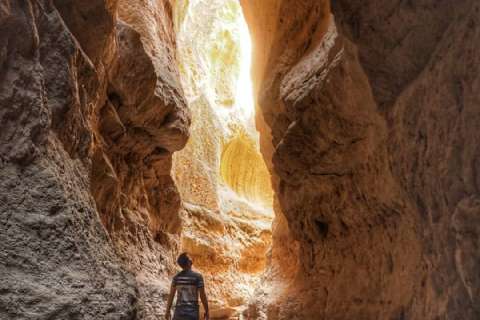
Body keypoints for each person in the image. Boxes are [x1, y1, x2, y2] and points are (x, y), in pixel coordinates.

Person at [165, 253, 209, 320]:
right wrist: (207, 310)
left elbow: (171, 295)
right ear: (188, 262)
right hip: (192, 314)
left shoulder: (176, 278)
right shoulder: (198, 277)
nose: (191, 260)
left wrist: (167, 311)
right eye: (190, 258)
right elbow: (202, 295)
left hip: (178, 313)